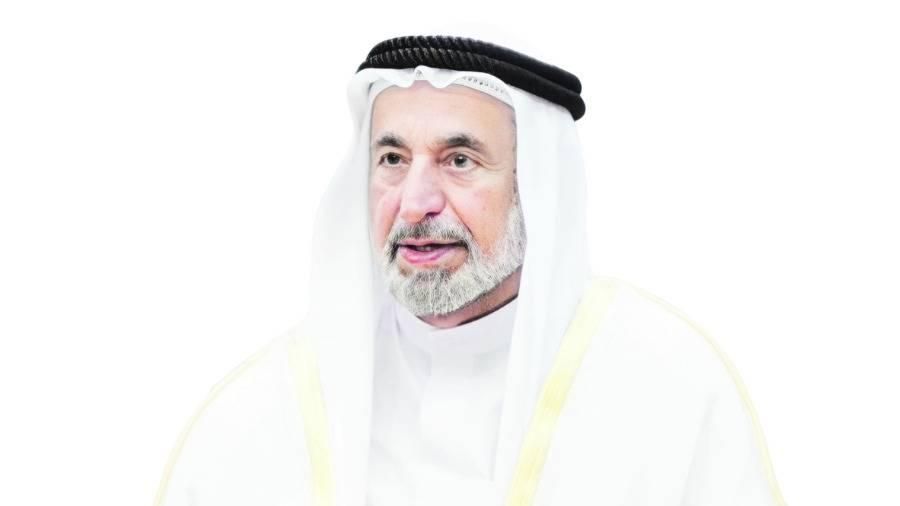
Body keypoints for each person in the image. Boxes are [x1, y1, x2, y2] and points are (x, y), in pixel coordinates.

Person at [154, 35, 788, 506]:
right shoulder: (257, 419)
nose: (415, 202)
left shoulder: (672, 394)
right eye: (392, 158)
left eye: (459, 160)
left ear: (534, 184)